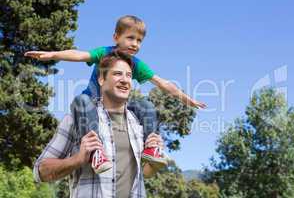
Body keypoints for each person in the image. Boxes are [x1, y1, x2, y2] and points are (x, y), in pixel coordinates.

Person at [25, 15, 206, 172]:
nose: (135, 44)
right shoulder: (104, 52)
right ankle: (96, 153)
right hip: (93, 102)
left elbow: (162, 83)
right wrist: (52, 55)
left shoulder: (136, 64)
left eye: (139, 40)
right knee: (80, 100)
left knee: (146, 106)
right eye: (130, 38)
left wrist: (188, 100)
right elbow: (79, 55)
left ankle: (151, 149)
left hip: (117, 106)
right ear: (116, 37)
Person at [33, 49, 162, 198]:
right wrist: (78, 159)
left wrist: (153, 164)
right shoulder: (76, 119)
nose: (125, 80)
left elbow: (144, 174)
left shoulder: (139, 125)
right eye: (117, 74)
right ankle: (96, 156)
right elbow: (40, 172)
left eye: (129, 75)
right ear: (101, 79)